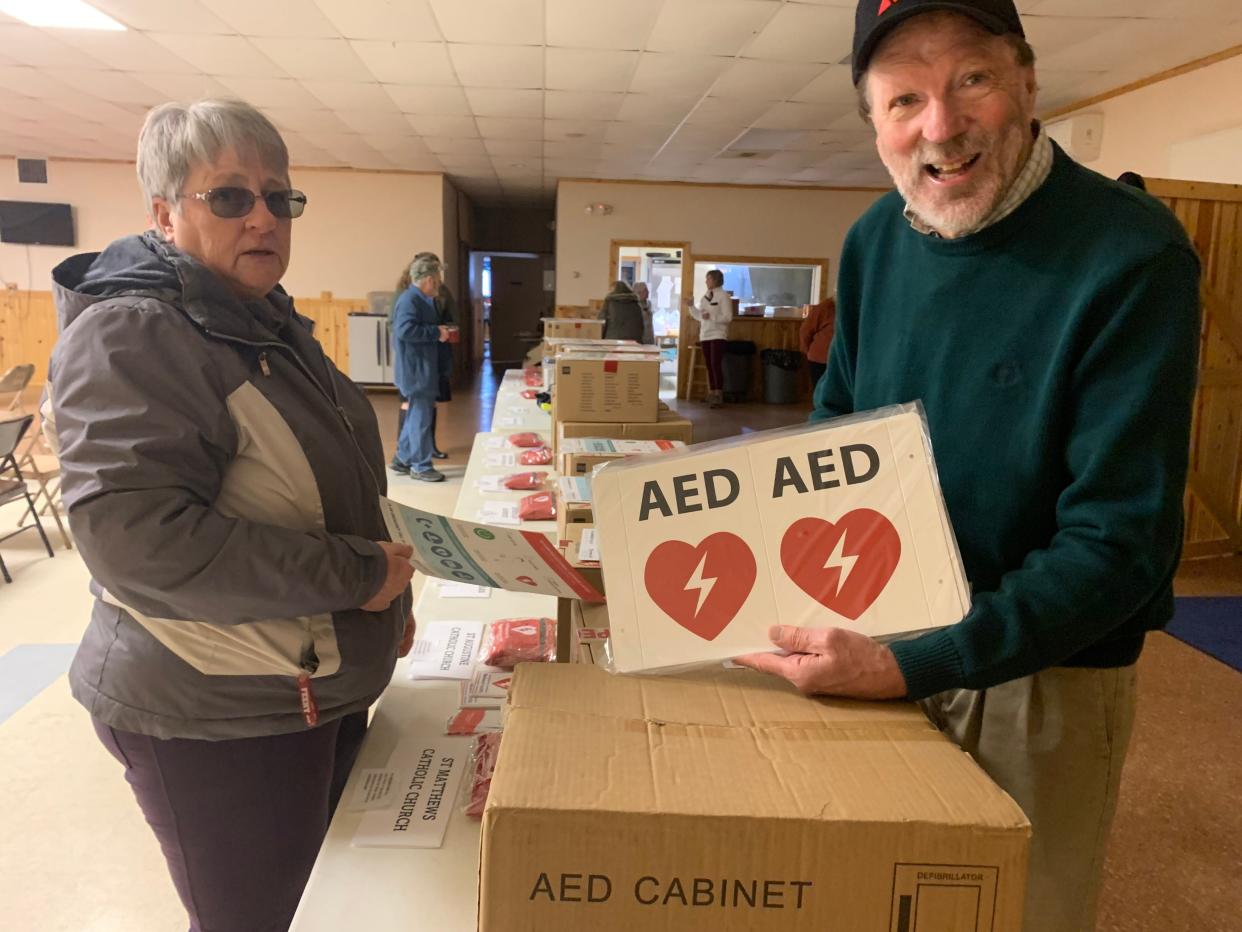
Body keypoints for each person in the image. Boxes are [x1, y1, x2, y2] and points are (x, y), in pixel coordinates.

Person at [736, 4, 1201, 932]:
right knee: (857, 899)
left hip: (1040, 679)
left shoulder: (1133, 253)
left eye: (971, 81)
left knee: (1007, 915)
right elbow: (839, 422)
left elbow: (1121, 544)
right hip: (873, 627)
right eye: (904, 97)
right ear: (874, 123)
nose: (940, 127)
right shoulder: (875, 240)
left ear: (1027, 81)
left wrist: (924, 659)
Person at [44, 98, 417, 932]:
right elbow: (137, 545)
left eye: (278, 197)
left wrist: (392, 601)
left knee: (327, 910)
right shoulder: (135, 336)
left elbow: (338, 487)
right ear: (163, 212)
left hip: (307, 686)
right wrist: (359, 579)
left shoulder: (265, 322)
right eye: (230, 197)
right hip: (220, 714)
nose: (264, 217)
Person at [391, 253, 451, 482]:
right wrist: (436, 332)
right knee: (420, 418)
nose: (438, 284)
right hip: (416, 371)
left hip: (420, 368)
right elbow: (404, 330)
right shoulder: (410, 300)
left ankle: (402, 458)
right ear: (427, 279)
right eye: (436, 279)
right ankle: (421, 466)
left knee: (416, 414)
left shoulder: (417, 299)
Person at [687, 269, 733, 408]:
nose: (706, 281)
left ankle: (719, 394)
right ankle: (712, 392)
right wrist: (691, 307)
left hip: (718, 334)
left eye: (708, 279)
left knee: (715, 364)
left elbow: (728, 317)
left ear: (715, 280)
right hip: (705, 334)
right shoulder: (706, 296)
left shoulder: (723, 296)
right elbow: (699, 316)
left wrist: (712, 317)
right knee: (709, 365)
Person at [798, 294, 836, 388]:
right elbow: (805, 331)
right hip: (821, 360)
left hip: (842, 360)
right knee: (822, 392)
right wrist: (806, 351)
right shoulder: (826, 307)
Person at [633, 281, 656, 345]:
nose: (648, 292)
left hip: (650, 337)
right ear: (639, 292)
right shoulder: (634, 305)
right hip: (639, 339)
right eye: (645, 290)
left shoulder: (649, 303)